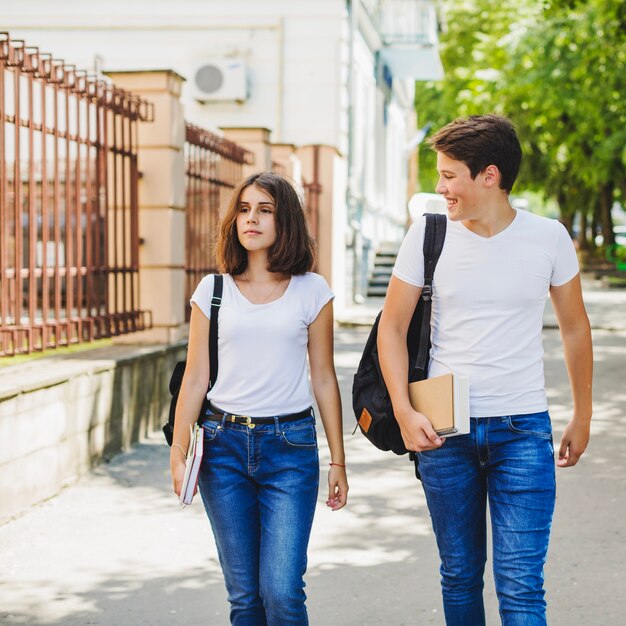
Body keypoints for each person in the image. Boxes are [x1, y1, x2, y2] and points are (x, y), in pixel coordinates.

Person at [378, 114, 592, 625]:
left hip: (523, 431)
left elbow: (576, 328)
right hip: (445, 432)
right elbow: (391, 328)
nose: (441, 187)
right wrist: (405, 412)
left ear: (489, 176)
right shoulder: (428, 236)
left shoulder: (549, 237)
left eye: (450, 175)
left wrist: (583, 415)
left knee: (521, 586)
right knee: (459, 575)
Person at [170, 171, 348, 626]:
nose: (251, 219)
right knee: (245, 596)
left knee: (283, 591)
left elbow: (324, 378)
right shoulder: (211, 292)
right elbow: (195, 378)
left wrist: (338, 462)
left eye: (264, 210)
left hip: (290, 449)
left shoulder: (313, 290)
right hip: (222, 447)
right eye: (244, 210)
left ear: (284, 220)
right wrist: (178, 452)